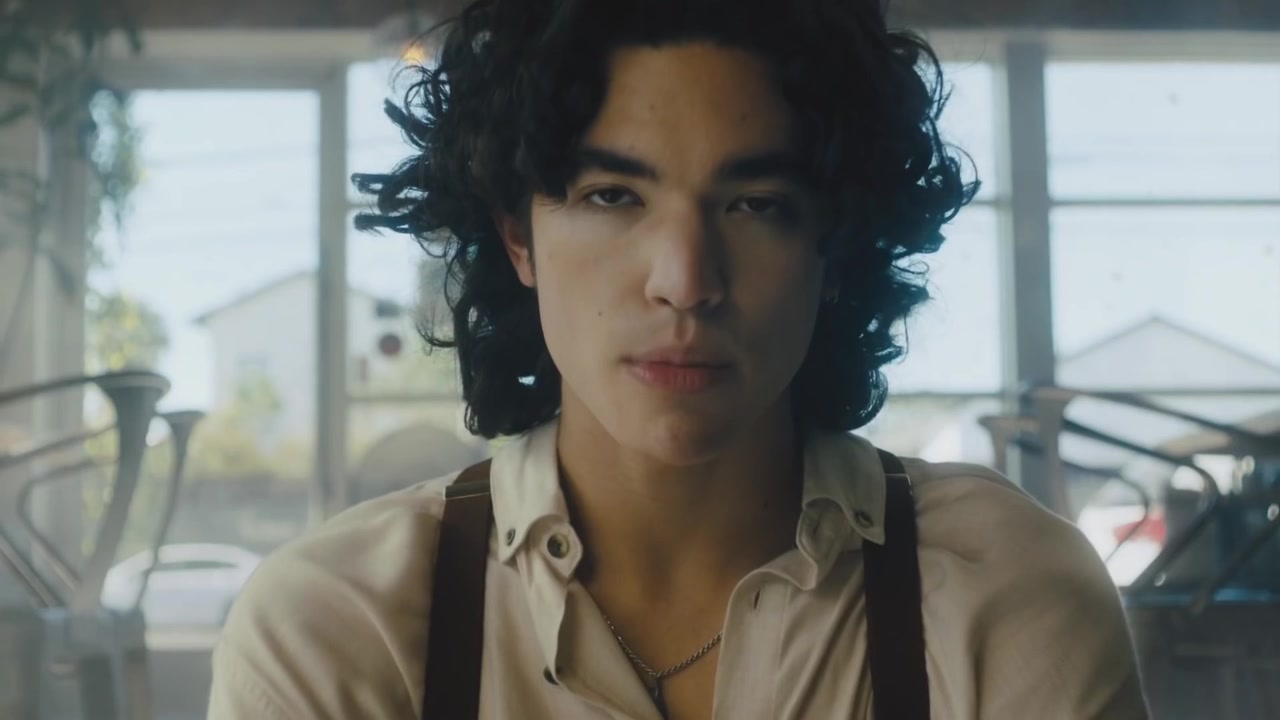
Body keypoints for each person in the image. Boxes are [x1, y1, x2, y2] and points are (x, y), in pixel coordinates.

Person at [207, 0, 1149, 718]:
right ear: (518, 236)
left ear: (833, 248)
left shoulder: (1006, 597)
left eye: (756, 204)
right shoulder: (338, 628)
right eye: (613, 196)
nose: (686, 281)